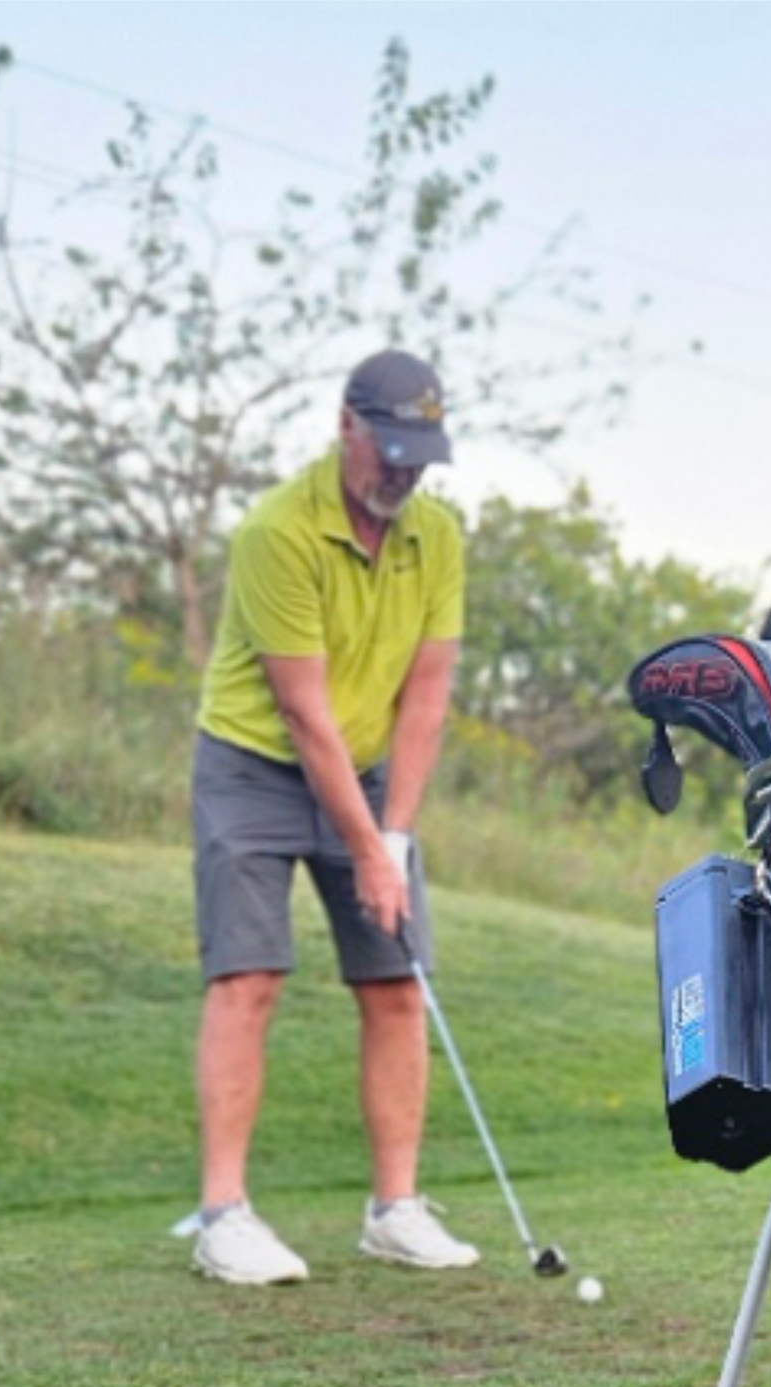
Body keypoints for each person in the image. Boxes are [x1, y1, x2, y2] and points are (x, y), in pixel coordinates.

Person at [185, 347, 479, 1285]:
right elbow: (304, 716)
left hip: (373, 763)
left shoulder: (437, 535)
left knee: (396, 981)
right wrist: (367, 847)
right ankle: (222, 1214)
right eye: (389, 448)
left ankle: (394, 1208)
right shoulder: (277, 530)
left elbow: (427, 695)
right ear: (346, 427)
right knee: (251, 976)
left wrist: (391, 835)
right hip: (256, 765)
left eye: (419, 454)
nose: (403, 471)